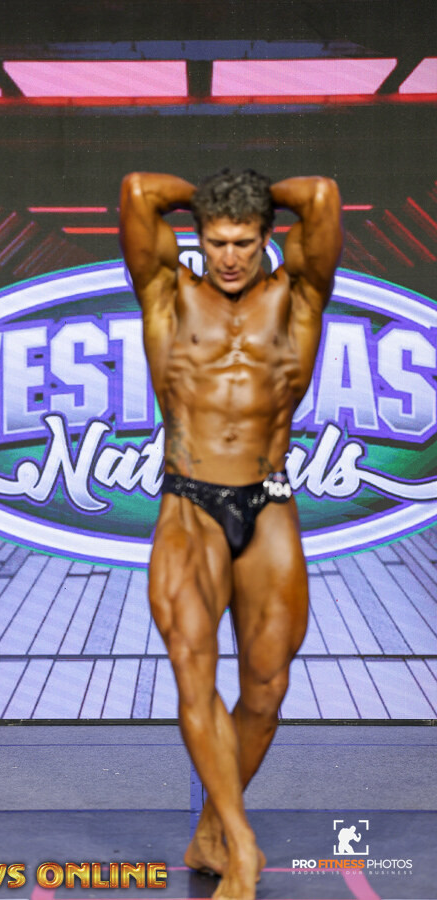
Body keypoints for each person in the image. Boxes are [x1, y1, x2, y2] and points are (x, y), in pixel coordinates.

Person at [119, 168, 342, 899]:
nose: (230, 257)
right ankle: (241, 849)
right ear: (198, 238)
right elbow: (138, 190)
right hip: (190, 503)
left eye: (244, 241)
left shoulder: (298, 295)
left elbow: (322, 196)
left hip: (269, 500)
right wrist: (211, 197)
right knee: (194, 667)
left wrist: (254, 194)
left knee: (268, 687)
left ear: (268, 237)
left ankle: (213, 829)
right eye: (216, 241)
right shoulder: (167, 291)